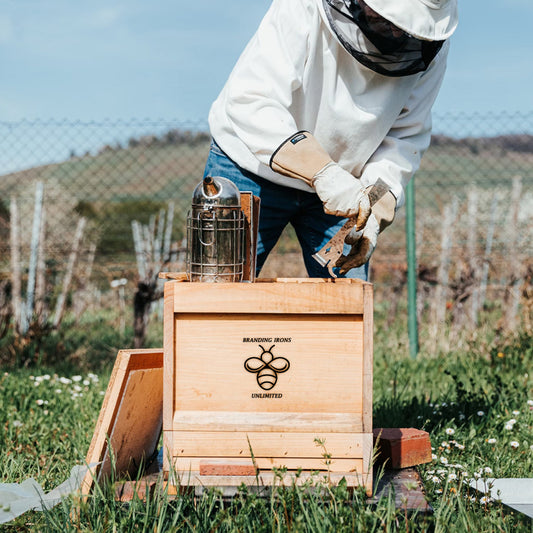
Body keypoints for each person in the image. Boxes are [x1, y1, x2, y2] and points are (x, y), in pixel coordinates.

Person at [203, 0, 458, 280]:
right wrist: (322, 173)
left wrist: (374, 205)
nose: (398, 34)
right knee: (217, 294)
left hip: (347, 189)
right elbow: (253, 102)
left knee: (347, 305)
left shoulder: (431, 43)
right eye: (392, 21)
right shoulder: (302, 7)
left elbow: (404, 136)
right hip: (251, 167)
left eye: (409, 27)